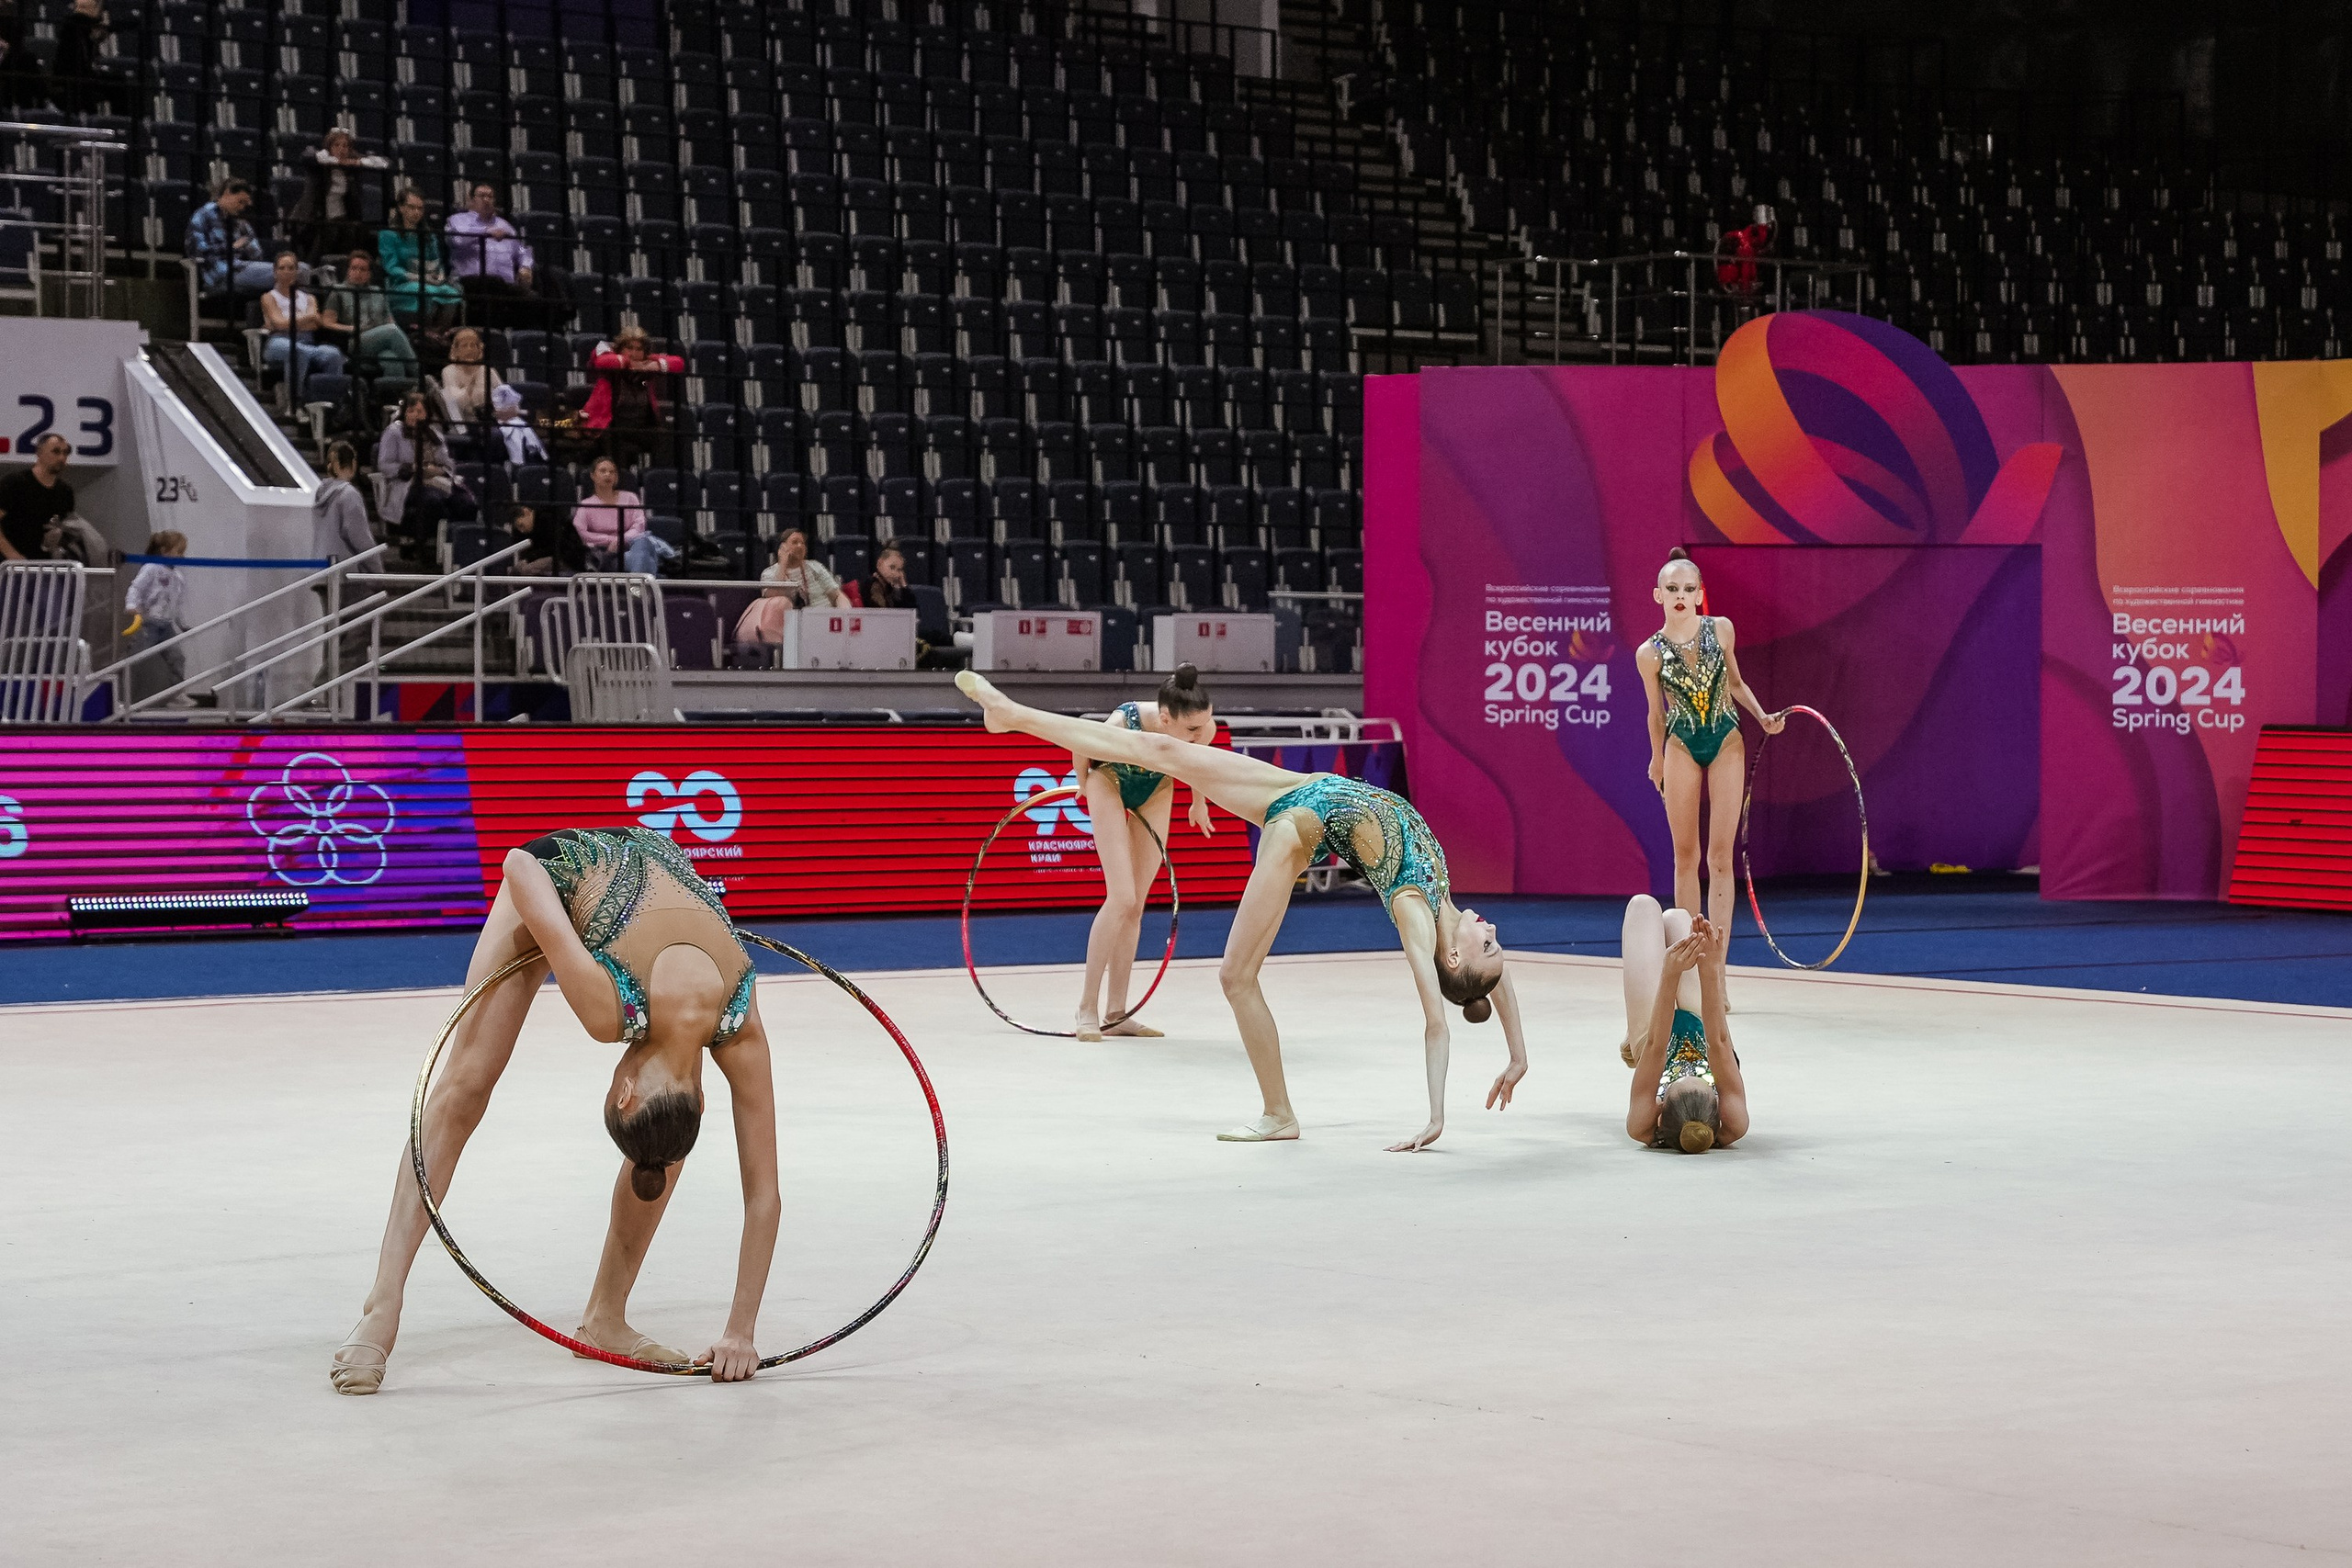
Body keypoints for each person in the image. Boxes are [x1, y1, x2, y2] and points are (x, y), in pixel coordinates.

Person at [956, 670, 1528, 1150]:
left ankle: (1279, 1114)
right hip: (1305, 788)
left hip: (1297, 829)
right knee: (1161, 750)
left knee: (1235, 976)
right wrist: (1517, 1055)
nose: (1494, 930)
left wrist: (1436, 1115)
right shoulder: (1449, 909)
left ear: (1452, 954)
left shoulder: (1417, 916)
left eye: (1489, 944)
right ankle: (1011, 715)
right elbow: (1487, 985)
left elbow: (1436, 1016)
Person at [330, 828, 781, 1393]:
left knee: (663, 1137)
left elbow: (764, 1197)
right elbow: (519, 863)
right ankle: (382, 1304)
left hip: (649, 875)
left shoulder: (742, 1022)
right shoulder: (610, 1008)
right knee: (467, 1083)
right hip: (559, 873)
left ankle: (605, 1319)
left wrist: (741, 1332)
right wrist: (738, 1332)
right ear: (624, 1094)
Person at [1069, 665, 1220, 1041]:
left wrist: (1198, 803)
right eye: (1191, 730)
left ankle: (1117, 1013)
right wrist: (1081, 785)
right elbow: (1080, 742)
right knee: (1121, 897)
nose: (1201, 734)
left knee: (1137, 905)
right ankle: (1086, 1006)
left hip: (1156, 787)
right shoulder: (1125, 721)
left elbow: (1198, 762)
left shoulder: (1202, 727)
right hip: (1110, 780)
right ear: (1165, 719)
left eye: (1205, 724)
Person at [1636, 547, 1780, 938]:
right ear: (1658, 595)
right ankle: (1688, 964)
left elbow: (1735, 683)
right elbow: (1656, 714)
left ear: (1700, 593)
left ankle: (1715, 969)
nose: (1680, 596)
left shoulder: (1722, 629)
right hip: (1680, 744)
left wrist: (1761, 715)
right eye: (1672, 589)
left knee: (1719, 858)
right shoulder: (1648, 654)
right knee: (1686, 857)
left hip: (1726, 740)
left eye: (1687, 588)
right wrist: (1656, 760)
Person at [1619, 897, 1748, 1153]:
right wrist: (1710, 968)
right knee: (1676, 918)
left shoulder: (1642, 1126)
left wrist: (1670, 973)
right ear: (1718, 1104)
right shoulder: (1734, 1122)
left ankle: (1632, 1032)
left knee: (1643, 906)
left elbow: (1657, 1044)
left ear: (1659, 1112)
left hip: (1651, 1040)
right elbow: (1719, 1041)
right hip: (1702, 1030)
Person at [376, 391, 468, 562]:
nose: (414, 416)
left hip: (437, 481)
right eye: (411, 411)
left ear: (427, 414)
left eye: (419, 411)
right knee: (433, 500)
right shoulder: (394, 432)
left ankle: (455, 549)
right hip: (407, 483)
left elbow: (448, 465)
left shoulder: (435, 435)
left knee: (465, 503)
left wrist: (437, 470)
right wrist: (411, 468)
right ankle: (424, 548)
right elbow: (385, 465)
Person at [582, 327, 684, 469]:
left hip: (639, 426)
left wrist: (656, 364)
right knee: (615, 438)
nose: (634, 353)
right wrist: (630, 364)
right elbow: (603, 361)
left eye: (639, 349)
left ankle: (662, 477)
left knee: (664, 435)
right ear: (620, 349)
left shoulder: (648, 363)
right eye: (629, 348)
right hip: (610, 425)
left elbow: (679, 363)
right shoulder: (609, 358)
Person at [446, 182, 545, 328]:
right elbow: (457, 240)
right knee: (493, 285)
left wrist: (525, 266)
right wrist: (485, 232)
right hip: (471, 282)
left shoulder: (505, 225)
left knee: (534, 298)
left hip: (505, 286)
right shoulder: (458, 220)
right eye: (482, 196)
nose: (486, 200)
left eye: (490, 196)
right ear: (471, 200)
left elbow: (523, 251)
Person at [288, 127, 390, 261]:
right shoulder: (320, 161)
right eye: (336, 145)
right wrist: (336, 161)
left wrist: (357, 162)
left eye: (345, 146)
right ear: (329, 146)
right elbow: (306, 157)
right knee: (327, 235)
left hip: (341, 218)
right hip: (314, 218)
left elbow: (385, 163)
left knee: (356, 232)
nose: (341, 149)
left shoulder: (350, 166)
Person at [319, 251, 418, 383]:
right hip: (355, 341)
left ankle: (390, 400)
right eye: (354, 268)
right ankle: (421, 378)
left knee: (392, 359)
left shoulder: (377, 291)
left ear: (369, 274)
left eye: (362, 269)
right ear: (348, 271)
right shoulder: (338, 291)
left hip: (381, 338)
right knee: (392, 331)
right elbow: (326, 322)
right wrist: (351, 328)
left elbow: (390, 321)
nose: (358, 273)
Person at [259, 252, 346, 400]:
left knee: (333, 354)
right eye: (282, 268)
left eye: (291, 268)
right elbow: (279, 323)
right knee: (297, 351)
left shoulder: (310, 298)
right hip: (279, 342)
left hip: (307, 342)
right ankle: (295, 402)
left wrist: (288, 323)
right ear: (275, 272)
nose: (287, 272)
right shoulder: (268, 297)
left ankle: (330, 402)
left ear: (297, 271)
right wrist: (308, 318)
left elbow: (314, 326)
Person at [123, 530, 196, 709]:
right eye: (178, 551)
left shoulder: (178, 578)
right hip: (148, 623)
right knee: (135, 661)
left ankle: (176, 694)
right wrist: (132, 606)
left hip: (166, 626)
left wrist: (182, 624)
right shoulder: (151, 568)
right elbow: (136, 588)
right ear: (164, 551)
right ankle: (123, 698)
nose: (182, 556)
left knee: (178, 658)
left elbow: (176, 604)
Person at [378, 186, 461, 328]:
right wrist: (419, 278)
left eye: (420, 208)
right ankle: (424, 332)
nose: (416, 212)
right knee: (424, 291)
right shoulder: (388, 235)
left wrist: (440, 276)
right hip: (402, 283)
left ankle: (439, 332)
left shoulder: (429, 236)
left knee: (452, 293)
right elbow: (392, 267)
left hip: (429, 281)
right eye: (412, 207)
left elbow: (437, 262)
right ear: (401, 208)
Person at [573, 456, 669, 574]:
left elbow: (639, 524)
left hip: (630, 548)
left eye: (612, 472)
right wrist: (611, 541)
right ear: (593, 476)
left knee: (643, 543)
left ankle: (636, 588)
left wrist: (622, 540)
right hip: (605, 554)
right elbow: (580, 533)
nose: (608, 475)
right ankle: (640, 587)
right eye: (603, 471)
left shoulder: (630, 498)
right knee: (647, 561)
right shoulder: (586, 504)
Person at [186, 179, 274, 299]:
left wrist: (247, 247)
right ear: (227, 194)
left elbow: (258, 256)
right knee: (296, 273)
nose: (242, 207)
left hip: (242, 268)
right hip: (220, 274)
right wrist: (231, 247)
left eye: (245, 204)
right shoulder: (203, 215)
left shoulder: (241, 223)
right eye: (240, 202)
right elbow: (196, 251)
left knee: (296, 272)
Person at [0, 432, 75, 562]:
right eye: (56, 452)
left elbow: (66, 529)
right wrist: (11, 555)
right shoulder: (15, 484)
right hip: (11, 566)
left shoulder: (65, 492)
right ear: (39, 453)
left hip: (46, 566)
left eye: (66, 453)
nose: (61, 458)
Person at [436, 325, 504, 450]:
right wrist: (472, 388)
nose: (470, 349)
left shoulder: (489, 371)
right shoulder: (449, 371)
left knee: (502, 434)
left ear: (480, 349)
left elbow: (504, 399)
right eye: (464, 346)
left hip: (489, 421)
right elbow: (456, 402)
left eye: (474, 345)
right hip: (462, 423)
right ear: (455, 350)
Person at [311, 440, 376, 565]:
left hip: (321, 567)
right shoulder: (349, 495)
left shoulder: (320, 493)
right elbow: (360, 538)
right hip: (346, 571)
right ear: (353, 464)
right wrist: (377, 571)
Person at [51, 0, 116, 116]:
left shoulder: (88, 30)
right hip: (72, 77)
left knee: (117, 83)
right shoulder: (73, 25)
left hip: (84, 74)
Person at [488, 383, 548, 466]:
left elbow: (524, 413)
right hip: (500, 424)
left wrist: (512, 413)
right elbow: (498, 414)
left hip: (523, 423)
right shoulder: (496, 399)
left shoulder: (517, 404)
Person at [863, 542, 912, 610]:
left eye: (899, 570)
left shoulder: (890, 588)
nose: (894, 573)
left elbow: (912, 613)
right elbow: (884, 615)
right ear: (879, 564)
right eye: (892, 567)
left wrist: (904, 586)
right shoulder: (873, 585)